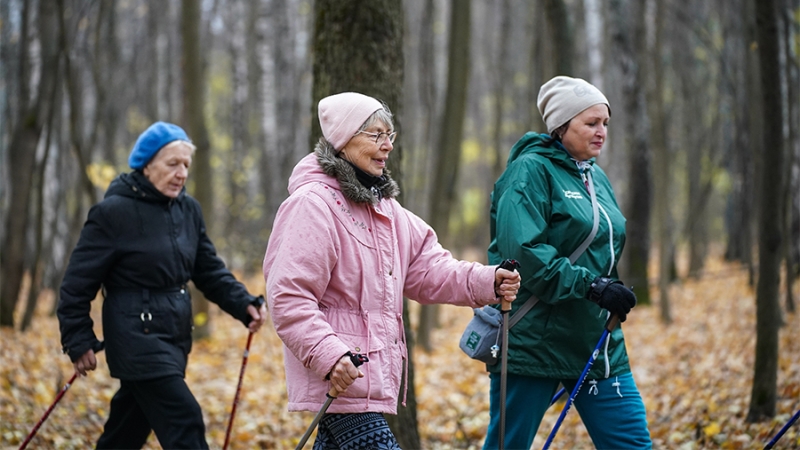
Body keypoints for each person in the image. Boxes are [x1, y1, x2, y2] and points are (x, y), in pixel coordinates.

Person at [263, 92, 521, 449]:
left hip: (367, 379)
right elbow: (288, 298)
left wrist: (487, 280)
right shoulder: (312, 206)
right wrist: (331, 355)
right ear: (343, 139)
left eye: (390, 136)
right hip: (341, 376)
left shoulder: (386, 211)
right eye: (376, 135)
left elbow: (430, 269)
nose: (387, 146)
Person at [57, 121, 268, 449]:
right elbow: (76, 284)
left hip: (174, 337)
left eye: (186, 165)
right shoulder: (112, 213)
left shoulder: (189, 210)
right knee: (185, 419)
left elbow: (208, 270)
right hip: (134, 336)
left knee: (126, 431)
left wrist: (243, 303)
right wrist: (77, 338)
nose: (181, 173)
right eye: (172, 164)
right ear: (147, 165)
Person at [483, 76, 652, 449]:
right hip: (533, 342)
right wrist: (591, 286)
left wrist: (610, 288)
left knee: (633, 444)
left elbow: (603, 248)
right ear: (561, 126)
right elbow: (523, 253)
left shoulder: (598, 178)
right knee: (506, 446)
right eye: (590, 123)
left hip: (595, 340)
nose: (601, 132)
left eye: (605, 123)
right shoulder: (529, 172)